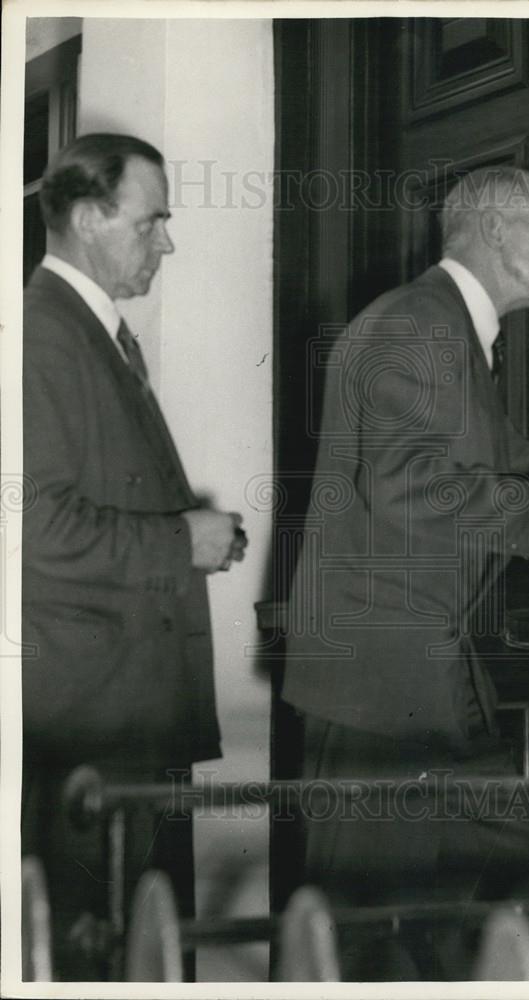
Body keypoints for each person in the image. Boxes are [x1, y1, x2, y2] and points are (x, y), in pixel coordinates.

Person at [281, 165, 529, 979]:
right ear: (495, 229)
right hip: (382, 691)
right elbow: (404, 485)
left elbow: (517, 479)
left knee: (465, 904)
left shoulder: (446, 329)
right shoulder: (418, 324)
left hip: (420, 683)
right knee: (367, 941)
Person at [21, 133, 247, 979]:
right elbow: (31, 527)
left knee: (143, 952)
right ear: (87, 217)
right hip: (93, 730)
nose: (168, 242)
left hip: (130, 722)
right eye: (152, 222)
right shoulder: (42, 334)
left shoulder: (94, 333)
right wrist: (178, 540)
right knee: (102, 958)